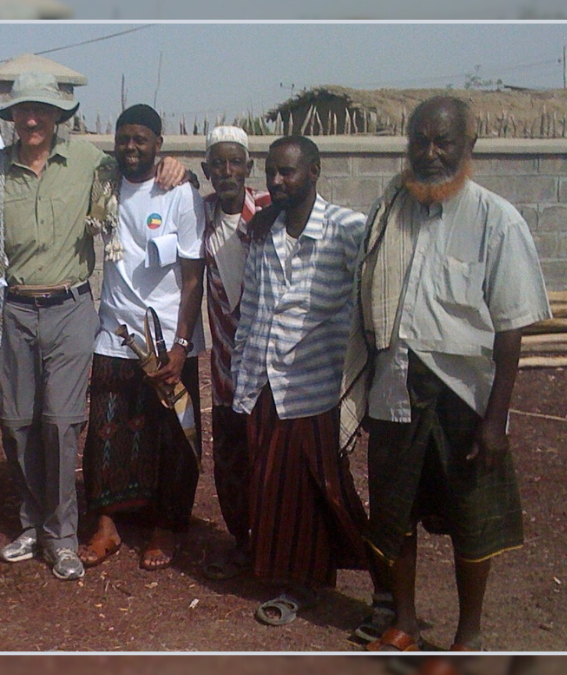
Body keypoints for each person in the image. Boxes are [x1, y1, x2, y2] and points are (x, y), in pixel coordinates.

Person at [345, 96, 551, 651]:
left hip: (464, 395)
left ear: (469, 148)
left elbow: (511, 331)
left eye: (444, 143)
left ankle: (469, 634)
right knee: (395, 510)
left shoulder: (495, 219)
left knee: (472, 518)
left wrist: (495, 422)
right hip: (395, 384)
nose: (431, 154)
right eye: (421, 142)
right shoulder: (389, 211)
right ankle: (405, 621)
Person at [0, 71, 188, 581]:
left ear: (58, 118)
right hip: (15, 309)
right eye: (23, 112)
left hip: (71, 307)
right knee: (17, 422)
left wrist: (183, 169)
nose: (32, 120)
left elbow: (144, 165)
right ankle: (32, 524)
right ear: (12, 119)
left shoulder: (94, 164)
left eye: (42, 111)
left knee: (62, 423)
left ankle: (63, 535)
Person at [231, 135, 373, 626]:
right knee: (273, 485)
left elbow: (368, 302)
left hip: (316, 384)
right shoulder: (264, 231)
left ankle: (328, 578)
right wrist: (239, 376)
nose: (276, 181)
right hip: (265, 383)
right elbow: (251, 308)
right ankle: (286, 573)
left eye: (287, 172)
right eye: (271, 172)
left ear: (314, 171)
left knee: (319, 486)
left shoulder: (348, 230)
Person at [77, 104, 205, 572]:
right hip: (114, 334)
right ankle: (107, 524)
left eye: (141, 140)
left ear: (159, 143)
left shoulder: (179, 193)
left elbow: (193, 277)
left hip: (167, 338)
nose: (131, 148)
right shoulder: (104, 185)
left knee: (172, 435)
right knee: (106, 431)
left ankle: (163, 527)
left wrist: (182, 343)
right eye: (123, 138)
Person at [197, 126, 270, 581]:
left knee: (268, 456)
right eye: (217, 165)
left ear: (248, 168)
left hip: (266, 363)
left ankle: (271, 543)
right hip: (224, 363)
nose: (226, 172)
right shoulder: (198, 212)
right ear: (207, 170)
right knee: (230, 459)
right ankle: (242, 541)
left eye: (235, 163)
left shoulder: (268, 209)